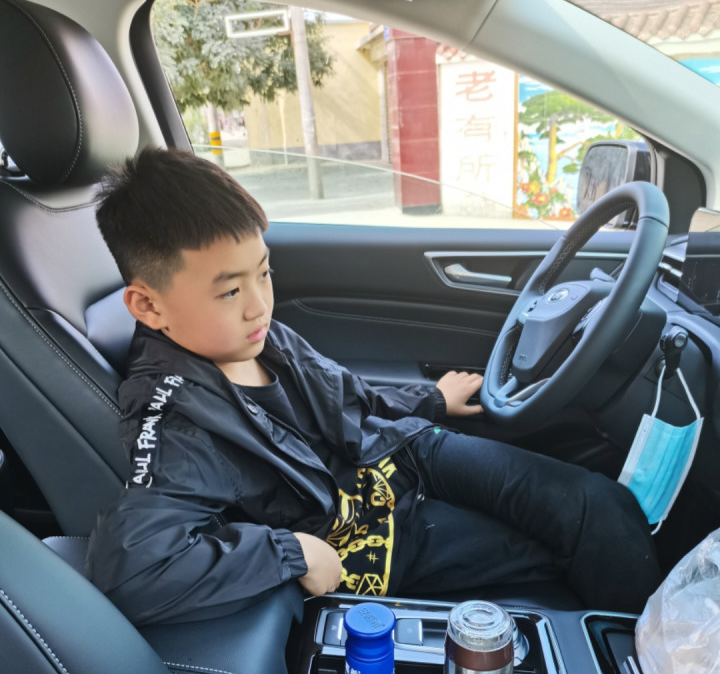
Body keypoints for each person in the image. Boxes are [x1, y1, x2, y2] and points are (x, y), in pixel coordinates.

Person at [86, 147, 661, 626]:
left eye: (263, 272)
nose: (259, 304)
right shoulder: (175, 418)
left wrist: (432, 400)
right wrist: (291, 552)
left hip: (397, 453)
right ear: (149, 306)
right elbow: (134, 569)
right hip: (371, 540)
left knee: (595, 504)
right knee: (557, 551)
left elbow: (346, 394)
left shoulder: (259, 337)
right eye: (230, 290)